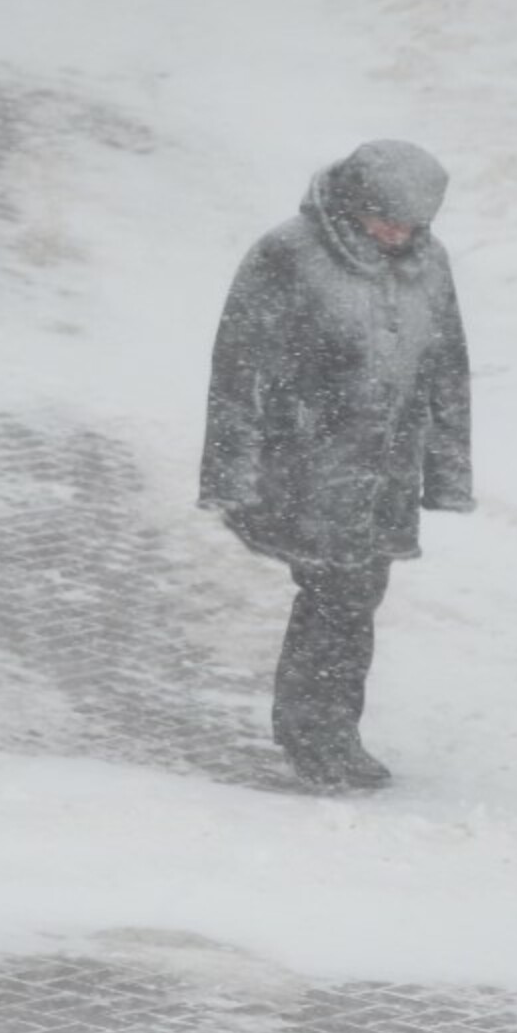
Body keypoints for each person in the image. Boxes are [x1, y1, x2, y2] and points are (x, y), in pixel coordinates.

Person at [199, 140, 475, 789]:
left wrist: (448, 472)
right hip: (306, 466)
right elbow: (238, 370)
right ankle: (315, 737)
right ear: (354, 201)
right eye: (387, 219)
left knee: (357, 598)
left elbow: (447, 370)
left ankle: (330, 734)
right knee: (334, 597)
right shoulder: (288, 255)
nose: (398, 234)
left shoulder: (429, 264)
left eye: (411, 224)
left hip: (387, 474)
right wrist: (231, 473)